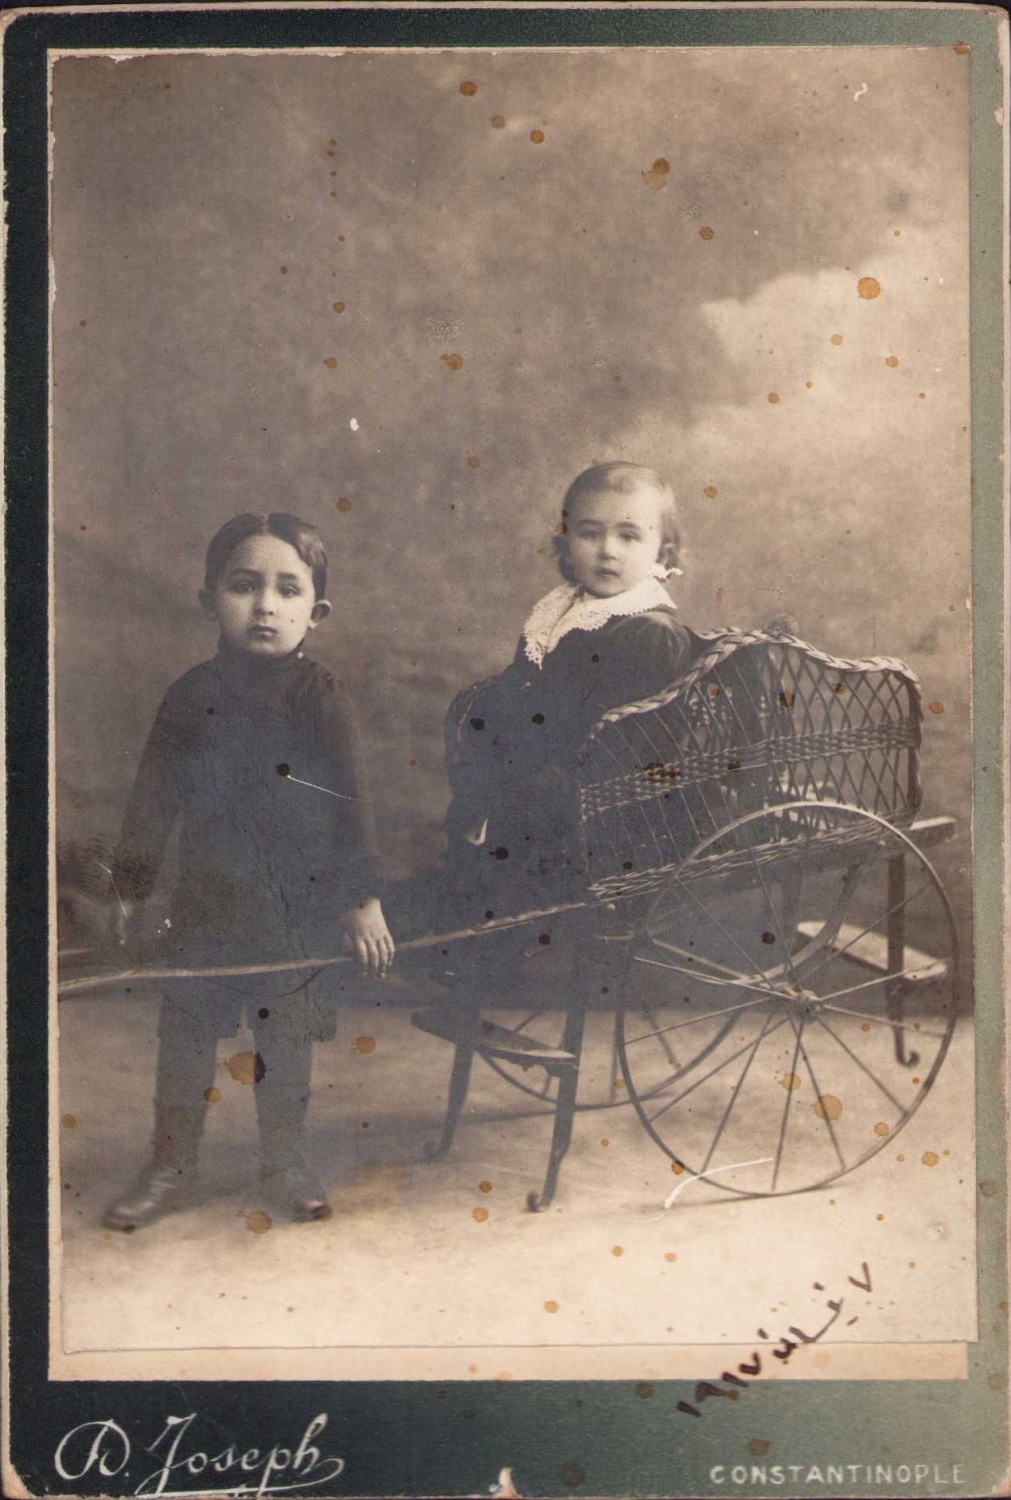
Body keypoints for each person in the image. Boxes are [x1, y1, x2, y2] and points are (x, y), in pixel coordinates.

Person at [102, 512, 394, 1230]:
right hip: (205, 902)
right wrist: (131, 887)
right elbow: (153, 797)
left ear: (315, 612)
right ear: (209, 601)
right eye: (244, 586)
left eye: (287, 590)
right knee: (186, 1034)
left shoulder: (319, 697)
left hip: (293, 909)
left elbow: (350, 804)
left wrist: (361, 900)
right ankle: (171, 1166)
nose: (265, 606)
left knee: (284, 1037)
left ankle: (284, 1162)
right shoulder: (189, 695)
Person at [440, 461, 696, 942]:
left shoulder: (649, 631)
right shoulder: (565, 608)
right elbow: (523, 683)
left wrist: (513, 761)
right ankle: (469, 913)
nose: (607, 550)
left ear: (662, 550)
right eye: (589, 533)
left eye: (628, 536)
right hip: (538, 772)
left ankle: (492, 933)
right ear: (566, 540)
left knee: (508, 839)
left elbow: (621, 740)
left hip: (601, 800)